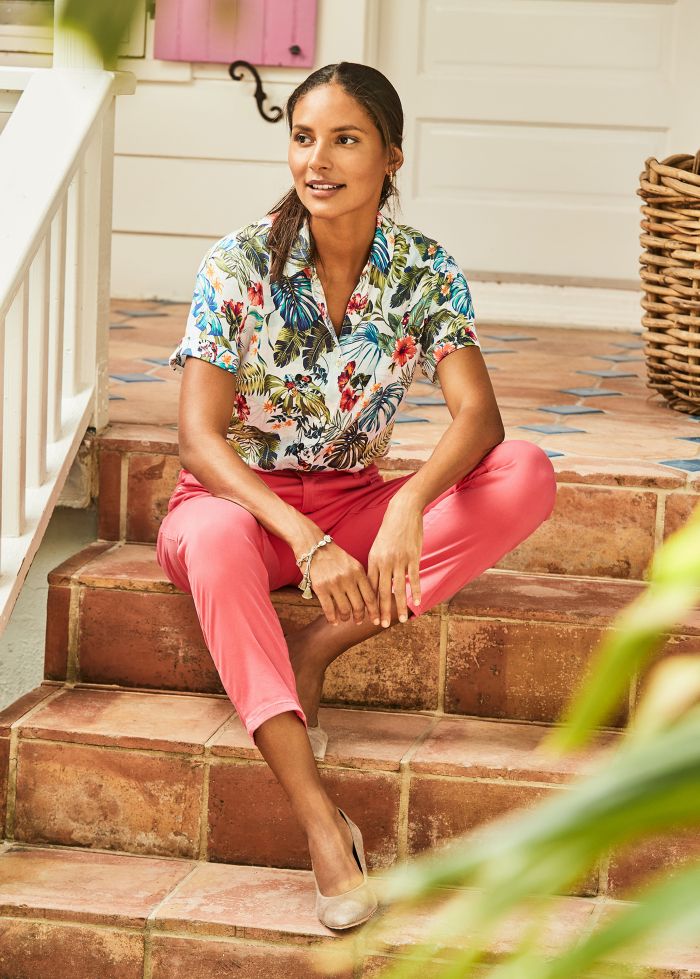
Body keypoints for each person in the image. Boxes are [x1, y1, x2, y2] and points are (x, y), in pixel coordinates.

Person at [156, 61, 557, 930]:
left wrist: (409, 502)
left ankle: (320, 646)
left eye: (346, 139)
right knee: (219, 545)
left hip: (357, 499)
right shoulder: (236, 265)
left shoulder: (422, 268)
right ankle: (322, 827)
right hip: (239, 509)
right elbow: (199, 438)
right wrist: (304, 541)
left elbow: (480, 416)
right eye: (304, 138)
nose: (319, 159)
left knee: (526, 472)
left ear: (392, 158)